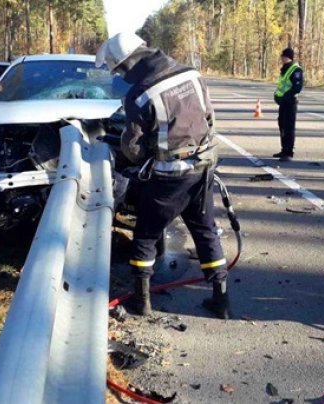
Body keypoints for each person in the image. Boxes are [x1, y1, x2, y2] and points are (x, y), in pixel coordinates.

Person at [95, 33, 231, 319]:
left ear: (129, 61)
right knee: (205, 229)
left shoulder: (140, 93)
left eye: (119, 69)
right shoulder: (191, 74)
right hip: (204, 168)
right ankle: (221, 301)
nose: (121, 75)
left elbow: (132, 148)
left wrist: (130, 154)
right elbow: (208, 118)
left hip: (170, 177)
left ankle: (141, 301)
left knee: (145, 234)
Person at [272, 47, 303, 162]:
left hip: (290, 102)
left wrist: (285, 96)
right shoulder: (284, 69)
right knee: (282, 125)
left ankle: (289, 152)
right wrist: (277, 95)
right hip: (283, 103)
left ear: (287, 57)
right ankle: (283, 149)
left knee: (289, 127)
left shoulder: (295, 69)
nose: (282, 58)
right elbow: (282, 85)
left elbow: (297, 87)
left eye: (283, 56)